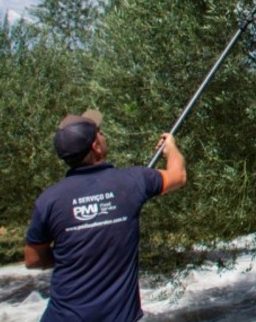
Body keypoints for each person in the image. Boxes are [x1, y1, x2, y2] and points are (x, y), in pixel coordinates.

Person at [24, 109, 187, 321]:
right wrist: (171, 148)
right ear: (95, 146)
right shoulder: (133, 182)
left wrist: (72, 253)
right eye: (100, 133)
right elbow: (178, 176)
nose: (103, 136)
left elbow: (32, 259)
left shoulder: (48, 200)